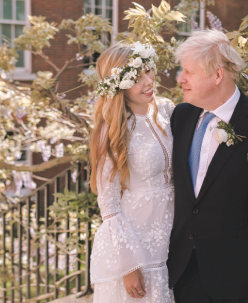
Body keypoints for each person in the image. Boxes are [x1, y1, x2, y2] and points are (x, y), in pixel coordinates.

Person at [168, 30, 248, 303]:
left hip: (243, 276)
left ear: (217, 75)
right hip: (185, 270)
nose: (180, 79)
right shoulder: (181, 116)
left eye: (188, 72)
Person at [89, 43, 175, 302]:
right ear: (119, 86)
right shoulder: (113, 129)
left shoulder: (167, 110)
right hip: (135, 239)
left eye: (149, 71)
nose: (149, 81)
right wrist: (129, 266)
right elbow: (109, 204)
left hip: (171, 233)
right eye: (137, 78)